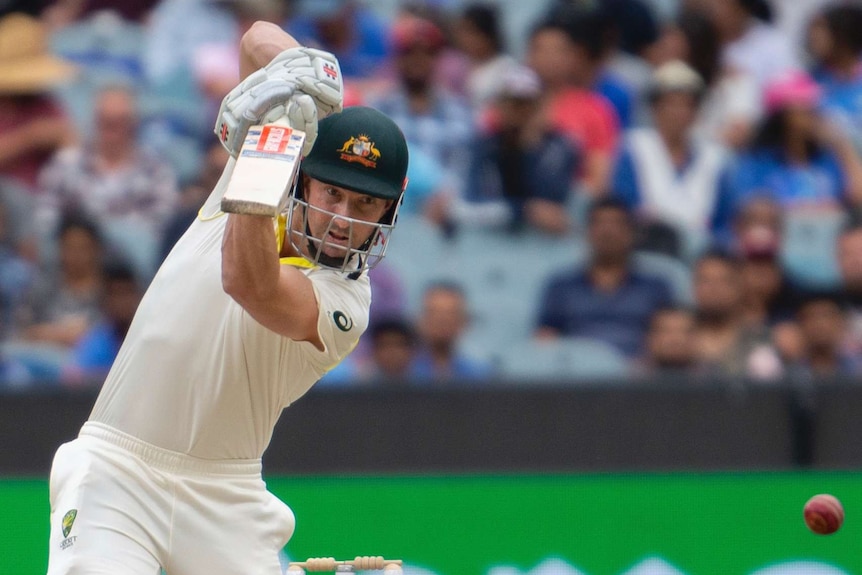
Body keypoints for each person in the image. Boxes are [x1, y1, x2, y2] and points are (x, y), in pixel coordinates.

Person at [45, 22, 408, 575]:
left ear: (390, 209)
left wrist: (266, 143)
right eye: (332, 192)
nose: (342, 219)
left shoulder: (347, 304)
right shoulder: (262, 166)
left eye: (364, 205)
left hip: (227, 499)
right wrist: (307, 78)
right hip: (116, 468)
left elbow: (248, 282)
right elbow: (255, 38)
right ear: (305, 180)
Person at [535, 198, 674, 359]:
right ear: (587, 233)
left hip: (638, 377)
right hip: (576, 376)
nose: (607, 232)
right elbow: (544, 340)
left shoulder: (656, 287)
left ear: (631, 233)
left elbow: (668, 336)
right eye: (599, 224)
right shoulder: (561, 286)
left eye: (616, 224)